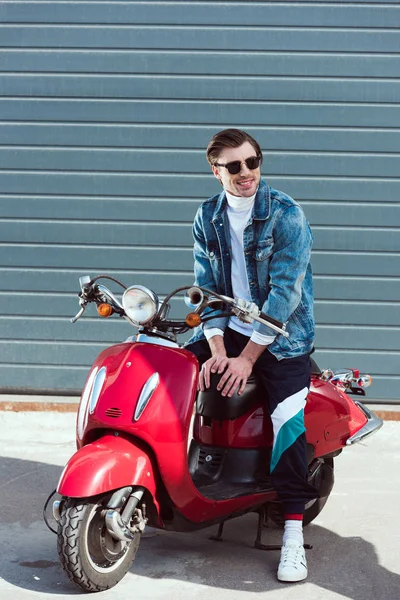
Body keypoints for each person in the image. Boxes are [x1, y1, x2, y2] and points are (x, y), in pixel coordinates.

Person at [185, 128, 317, 583]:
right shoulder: (208, 216)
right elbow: (205, 291)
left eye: (253, 161)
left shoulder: (285, 214)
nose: (247, 173)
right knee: (162, 360)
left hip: (281, 339)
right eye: (235, 166)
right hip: (231, 331)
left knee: (287, 420)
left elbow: (285, 296)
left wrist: (245, 359)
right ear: (215, 169)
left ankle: (293, 534)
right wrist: (219, 349)